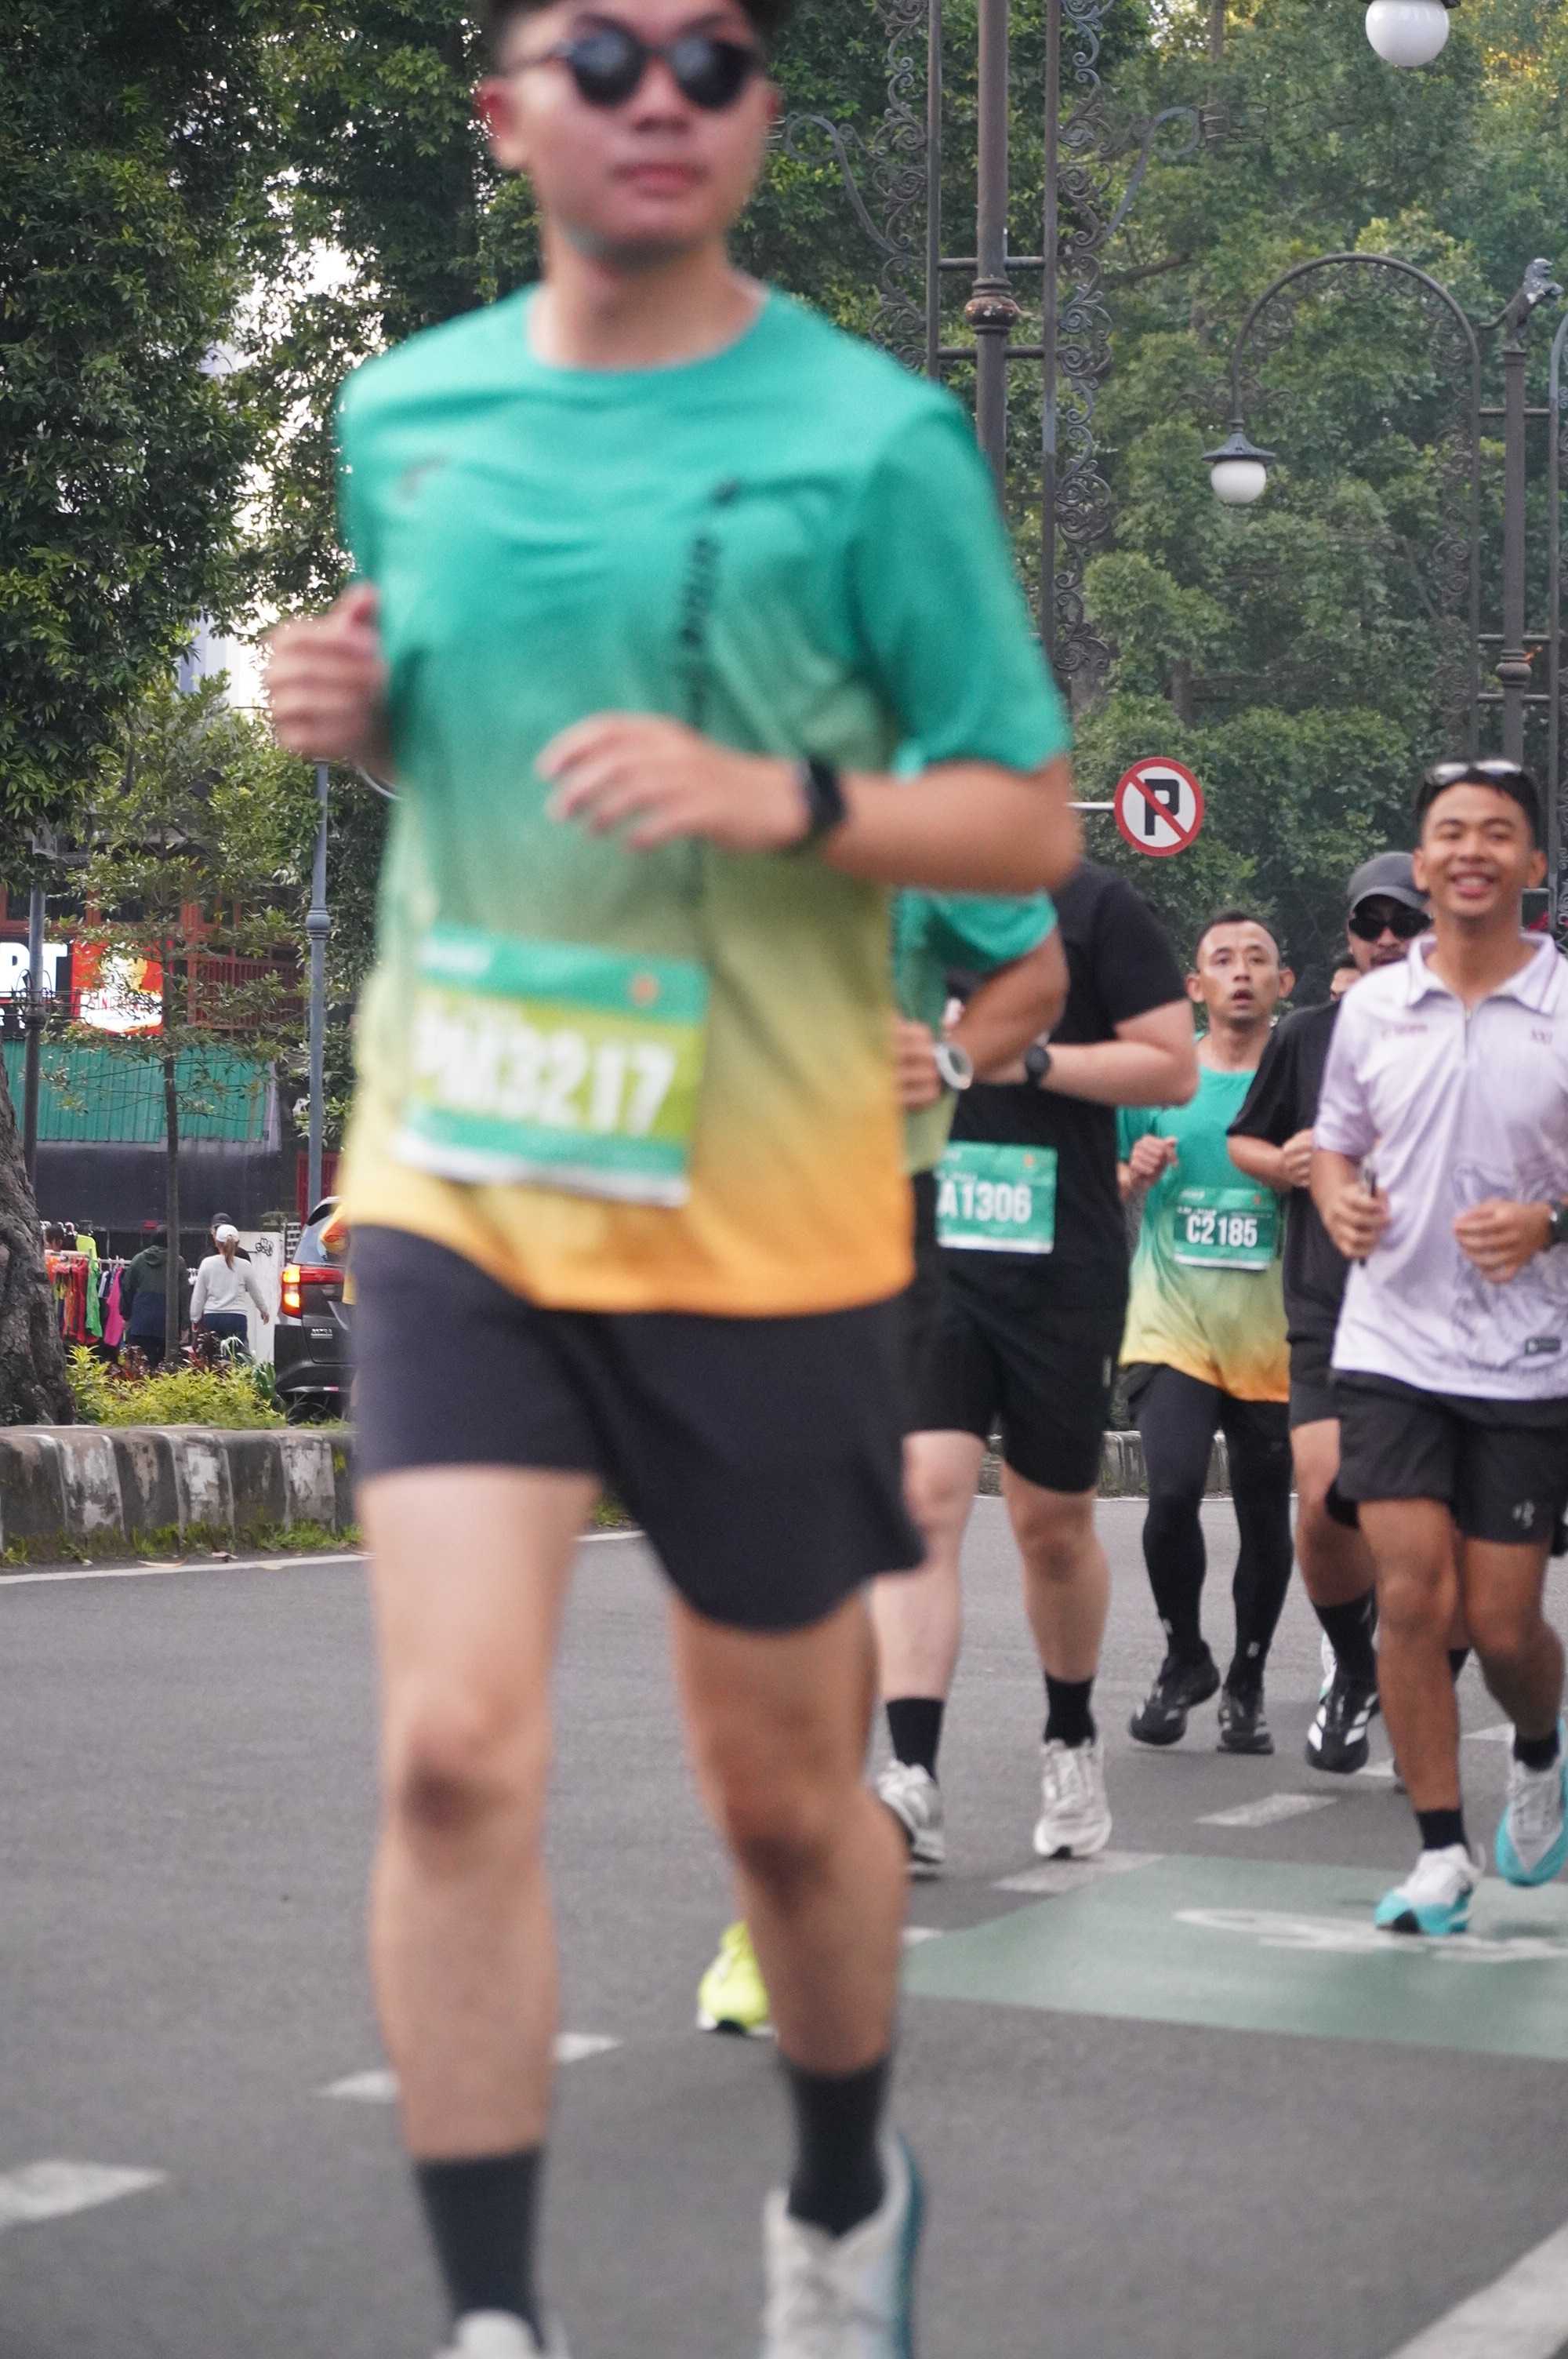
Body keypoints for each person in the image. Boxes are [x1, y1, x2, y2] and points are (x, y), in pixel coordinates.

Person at [265, 1, 1081, 2350]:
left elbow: (1018, 820)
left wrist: (781, 799)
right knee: (449, 1754)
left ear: (758, 121)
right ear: (505, 110)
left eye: (709, 61)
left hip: (767, 1198)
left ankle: (838, 2190)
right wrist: (372, 729)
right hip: (467, 1153)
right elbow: (476, 765)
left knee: (783, 1800)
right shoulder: (404, 419)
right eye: (600, 52)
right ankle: (492, 2317)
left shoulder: (871, 441)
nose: (656, 96)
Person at [698, 892, 1068, 2037]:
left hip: (862, 1216)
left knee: (810, 1558)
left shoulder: (903, 821)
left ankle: (783, 1892)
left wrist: (953, 1054)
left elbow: (1035, 970)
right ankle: (802, 1855)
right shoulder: (650, 802)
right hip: (685, 1199)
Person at [868, 862, 1196, 1872]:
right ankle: (910, 1773)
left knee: (1050, 1525)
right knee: (923, 1496)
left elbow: (1170, 1067)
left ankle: (1069, 1735)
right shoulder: (890, 901)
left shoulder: (1091, 908)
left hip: (1060, 1260)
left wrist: (1026, 1059)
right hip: (929, 1251)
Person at [1312, 758, 1568, 1936]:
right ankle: (1437, 1853)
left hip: (1526, 1357)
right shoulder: (1373, 1010)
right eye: (1450, 832)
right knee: (1411, 1596)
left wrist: (1546, 1224)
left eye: (1496, 832)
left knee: (1502, 1623)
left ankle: (1539, 1744)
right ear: (1421, 865)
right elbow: (1334, 1141)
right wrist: (1336, 1195)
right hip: (1391, 1344)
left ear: (1533, 864)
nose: (1472, 850)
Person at [1227, 854, 1429, 1772]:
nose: (1385, 938)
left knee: (1438, 1550)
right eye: (1368, 923)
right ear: (1347, 933)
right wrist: (1283, 1164)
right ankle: (1354, 1666)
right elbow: (1246, 1138)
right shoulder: (1305, 1035)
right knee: (1322, 1498)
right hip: (1326, 1303)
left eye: (1404, 922)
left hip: (1442, 1313)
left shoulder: (1479, 1032)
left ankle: (1427, 1705)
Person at [1120, 914, 1294, 1756]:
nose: (1240, 972)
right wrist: (1131, 1173)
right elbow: (1102, 1180)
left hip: (1272, 1339)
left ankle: (1247, 1681)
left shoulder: (1301, 1083)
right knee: (1171, 1493)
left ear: (1282, 984)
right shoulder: (1160, 1080)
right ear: (1195, 987)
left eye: (1256, 959)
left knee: (1263, 1515)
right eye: (1221, 960)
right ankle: (1184, 1654)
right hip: (1170, 1325)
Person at [191, 1222, 272, 1354]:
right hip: (237, 1318)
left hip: (212, 1317)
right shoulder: (245, 1265)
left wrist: (195, 1318)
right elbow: (255, 1291)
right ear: (237, 1244)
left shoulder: (207, 1263)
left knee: (213, 1357)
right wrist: (264, 1311)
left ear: (217, 1243)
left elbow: (199, 1295)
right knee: (235, 1358)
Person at [118, 1225, 189, 1369]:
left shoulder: (138, 1260)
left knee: (139, 1368)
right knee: (165, 1370)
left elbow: (127, 1289)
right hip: (167, 1325)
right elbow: (183, 1296)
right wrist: (184, 1325)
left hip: (140, 1323)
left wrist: (126, 1315)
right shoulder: (178, 1262)